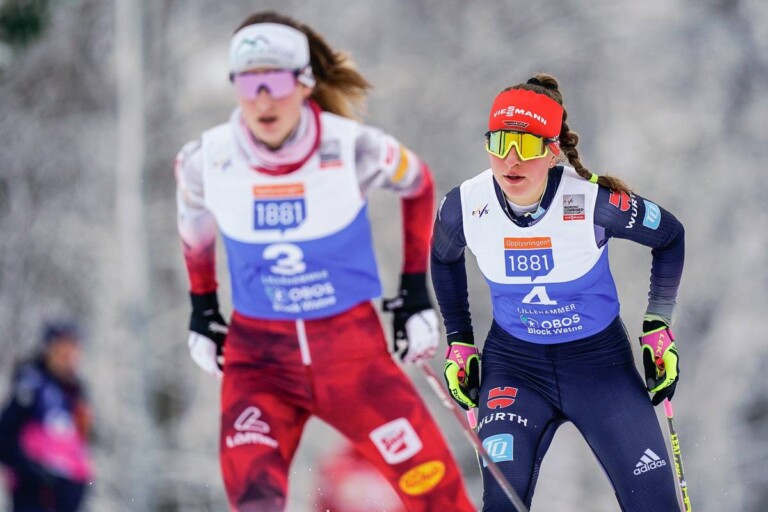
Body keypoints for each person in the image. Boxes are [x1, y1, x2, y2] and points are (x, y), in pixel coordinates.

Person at [174, 11, 475, 512]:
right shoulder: (207, 159)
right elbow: (193, 220)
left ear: (305, 82)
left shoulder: (351, 146)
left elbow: (418, 183)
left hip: (352, 358)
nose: (263, 99)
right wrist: (202, 306)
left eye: (274, 80)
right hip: (260, 366)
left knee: (439, 497)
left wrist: (414, 293)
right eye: (249, 84)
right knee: (255, 500)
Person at [431, 73, 685, 511]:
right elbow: (442, 258)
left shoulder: (592, 202)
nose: (510, 160)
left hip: (600, 369)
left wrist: (657, 325)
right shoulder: (465, 206)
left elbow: (669, 236)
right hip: (514, 369)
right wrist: (459, 342)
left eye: (526, 146)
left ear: (552, 152)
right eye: (499, 143)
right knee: (502, 502)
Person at [0, 321, 93, 512]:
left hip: (67, 495)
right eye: (62, 350)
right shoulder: (31, 385)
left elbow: (78, 443)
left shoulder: (76, 391)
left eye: (73, 350)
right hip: (36, 496)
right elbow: (4, 437)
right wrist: (35, 472)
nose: (69, 357)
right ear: (49, 349)